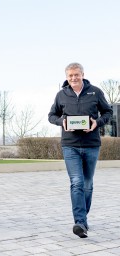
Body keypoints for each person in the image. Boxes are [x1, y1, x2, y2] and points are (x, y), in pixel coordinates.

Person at [48, 62, 112, 238]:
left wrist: (96, 123)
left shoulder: (96, 92)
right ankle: (80, 222)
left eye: (76, 75)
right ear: (66, 77)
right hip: (70, 145)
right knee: (76, 182)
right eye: (70, 76)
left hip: (91, 145)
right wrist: (62, 122)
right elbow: (51, 116)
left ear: (82, 74)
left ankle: (82, 219)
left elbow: (107, 113)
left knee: (87, 184)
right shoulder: (61, 95)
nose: (73, 78)